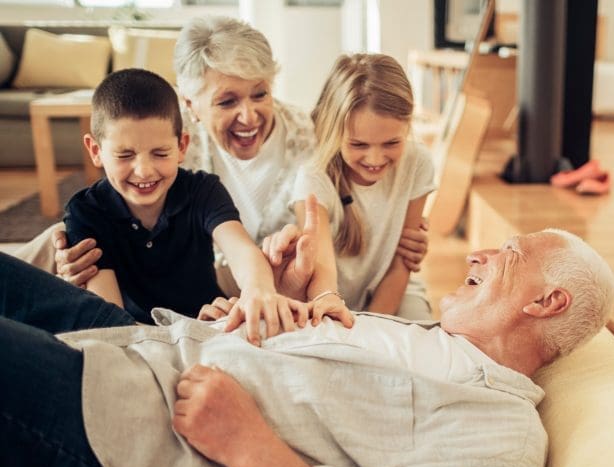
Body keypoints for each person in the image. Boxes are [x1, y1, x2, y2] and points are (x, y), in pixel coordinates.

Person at [0, 228, 614, 467]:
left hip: (127, 445)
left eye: (507, 253)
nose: (477, 254)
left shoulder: (501, 434)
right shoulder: (431, 337)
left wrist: (246, 442)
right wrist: (262, 327)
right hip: (147, 347)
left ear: (546, 301)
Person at [15, 16, 430, 313]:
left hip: (268, 277)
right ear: (190, 104)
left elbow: (359, 193)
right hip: (195, 270)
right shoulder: (171, 146)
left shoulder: (315, 137)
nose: (249, 116)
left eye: (260, 94)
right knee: (67, 236)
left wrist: (401, 237)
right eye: (227, 101)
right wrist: (72, 265)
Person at [61, 67, 321, 344]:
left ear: (182, 146)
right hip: (142, 336)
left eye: (160, 153)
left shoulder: (203, 190)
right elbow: (112, 326)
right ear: (95, 151)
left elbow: (242, 249)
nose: (144, 171)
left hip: (209, 323)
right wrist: (181, 331)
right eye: (125, 155)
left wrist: (258, 290)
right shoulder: (86, 212)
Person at [265, 53, 436, 320]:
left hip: (396, 291)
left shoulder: (419, 163)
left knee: (422, 343)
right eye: (358, 145)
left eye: (392, 143)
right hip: (326, 297)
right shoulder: (313, 176)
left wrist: (375, 326)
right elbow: (323, 279)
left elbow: (403, 262)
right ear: (335, 132)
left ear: (408, 127)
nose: (375, 159)